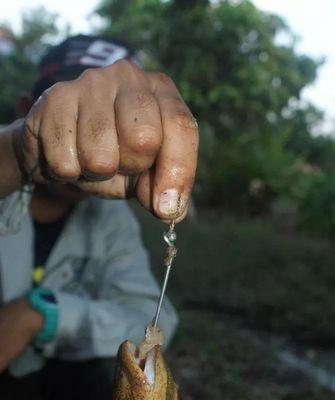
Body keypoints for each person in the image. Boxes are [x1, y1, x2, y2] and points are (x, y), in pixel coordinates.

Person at [0, 35, 198, 399]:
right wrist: (16, 151)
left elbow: (155, 318)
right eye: (70, 115)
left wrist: (42, 315)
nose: (98, 144)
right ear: (25, 109)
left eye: (119, 126)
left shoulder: (111, 220)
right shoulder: (8, 156)